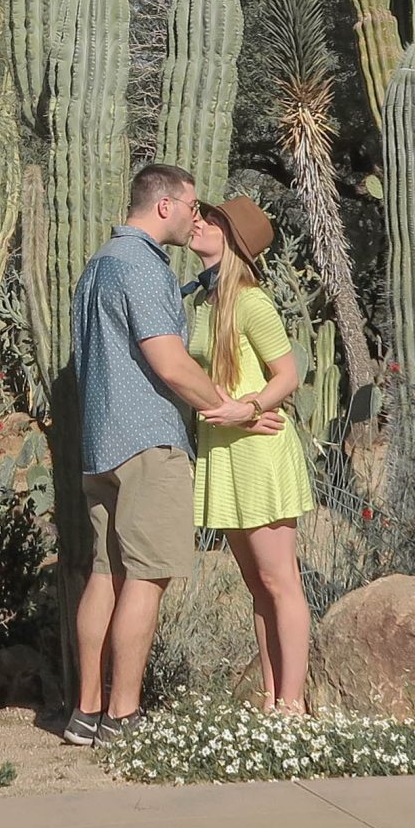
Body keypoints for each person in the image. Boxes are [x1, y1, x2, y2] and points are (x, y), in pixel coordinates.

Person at [64, 163, 282, 747]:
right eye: (191, 205)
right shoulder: (141, 266)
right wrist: (232, 407)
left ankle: (85, 713)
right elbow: (169, 362)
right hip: (148, 441)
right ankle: (123, 716)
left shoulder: (99, 265)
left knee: (105, 573)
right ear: (165, 205)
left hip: (99, 442)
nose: (196, 216)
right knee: (149, 575)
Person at [186, 196, 316, 713]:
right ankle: (269, 697)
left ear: (232, 240)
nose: (199, 222)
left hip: (259, 453)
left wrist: (252, 407)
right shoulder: (201, 301)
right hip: (224, 452)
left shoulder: (251, 302)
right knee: (256, 585)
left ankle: (293, 704)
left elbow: (289, 372)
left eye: (212, 220)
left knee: (280, 581)